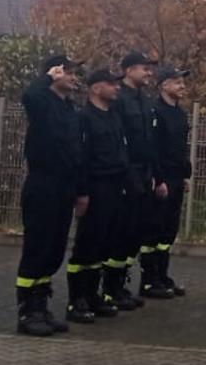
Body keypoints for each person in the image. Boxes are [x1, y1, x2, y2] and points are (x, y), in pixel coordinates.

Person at [13, 55, 83, 337]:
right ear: (55, 73)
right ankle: (27, 311)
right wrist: (47, 78)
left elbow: (75, 151)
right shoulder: (41, 102)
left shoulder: (68, 108)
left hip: (64, 186)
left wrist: (78, 189)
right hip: (43, 184)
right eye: (69, 72)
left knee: (53, 250)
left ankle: (41, 305)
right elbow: (28, 96)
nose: (75, 77)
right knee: (37, 248)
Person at [67, 69, 130, 324]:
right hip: (95, 186)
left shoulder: (113, 116)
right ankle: (77, 299)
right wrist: (82, 193)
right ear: (96, 88)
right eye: (111, 83)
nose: (117, 87)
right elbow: (80, 159)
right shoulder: (84, 118)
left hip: (115, 185)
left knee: (104, 243)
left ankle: (93, 294)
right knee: (87, 243)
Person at [110, 51, 160, 309]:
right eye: (144, 68)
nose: (149, 73)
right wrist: (128, 174)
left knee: (136, 232)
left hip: (144, 173)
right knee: (121, 231)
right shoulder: (118, 99)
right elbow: (119, 140)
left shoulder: (145, 100)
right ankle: (110, 288)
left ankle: (121, 284)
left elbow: (149, 140)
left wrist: (152, 174)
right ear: (128, 70)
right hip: (126, 174)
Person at [142, 65, 194, 298]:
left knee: (168, 231)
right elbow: (153, 149)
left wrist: (185, 175)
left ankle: (162, 276)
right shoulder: (155, 111)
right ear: (164, 85)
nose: (182, 86)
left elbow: (180, 148)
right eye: (177, 82)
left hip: (176, 177)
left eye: (183, 82)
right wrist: (159, 179)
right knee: (154, 229)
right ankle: (149, 280)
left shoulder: (180, 114)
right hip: (161, 179)